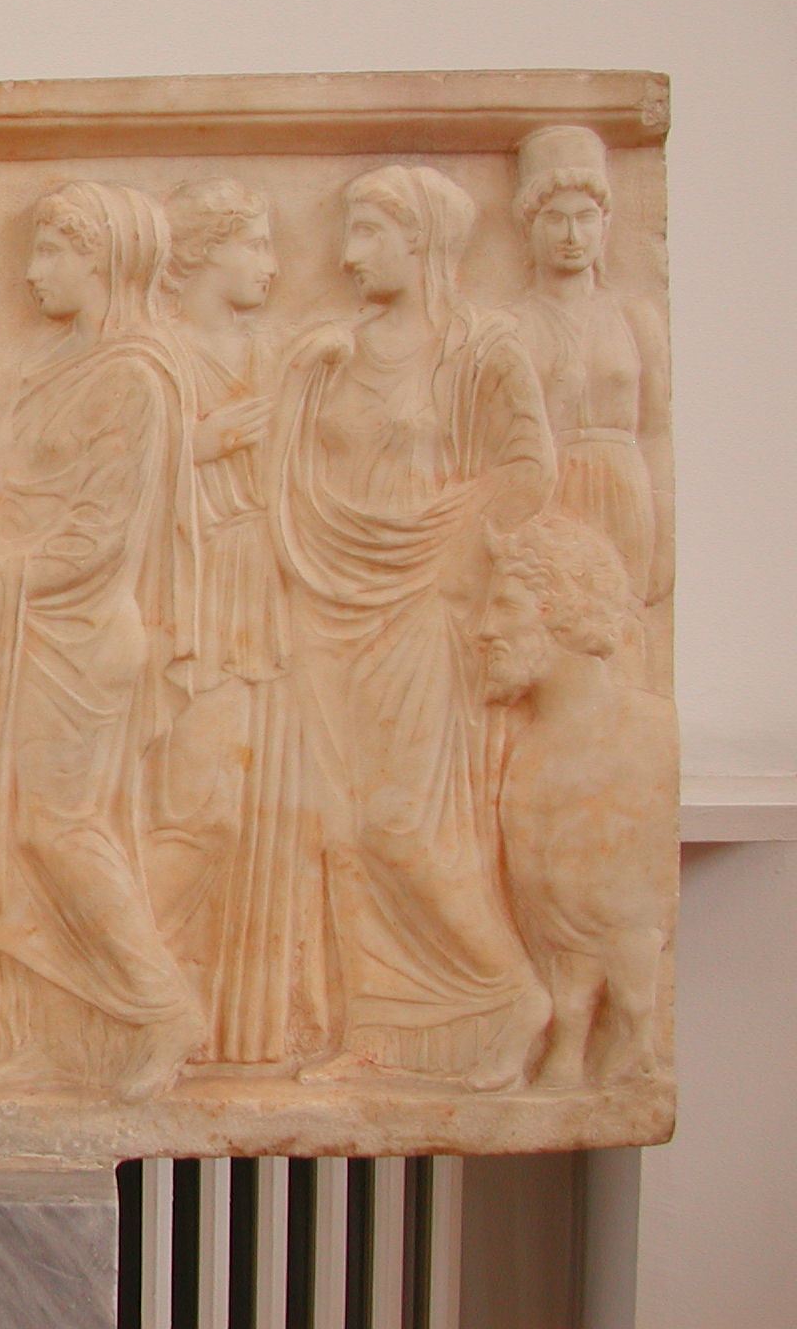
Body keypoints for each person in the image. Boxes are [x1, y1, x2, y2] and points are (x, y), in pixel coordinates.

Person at [272, 165, 553, 1089]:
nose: (349, 255)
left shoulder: (481, 349)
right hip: (327, 599)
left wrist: (445, 542)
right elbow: (280, 478)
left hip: (420, 605)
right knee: (341, 825)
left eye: (369, 233)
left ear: (423, 239)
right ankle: (377, 1032)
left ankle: (512, 996)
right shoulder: (332, 352)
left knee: (404, 824)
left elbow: (529, 471)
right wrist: (298, 381)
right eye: (348, 231)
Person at [0, 180, 203, 1098]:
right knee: (19, 836)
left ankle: (165, 1007)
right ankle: (62, 1039)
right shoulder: (51, 365)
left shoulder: (135, 377)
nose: (32, 271)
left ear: (101, 260)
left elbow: (104, 532)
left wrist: (0, 577)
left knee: (58, 828)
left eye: (52, 251)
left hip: (80, 633)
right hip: (18, 631)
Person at [146, 177, 320, 1066]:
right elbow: (103, 471)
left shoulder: (277, 352)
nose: (272, 265)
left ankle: (231, 1021)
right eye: (255, 243)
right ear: (205, 250)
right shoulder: (160, 353)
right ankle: (129, 984)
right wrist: (201, 445)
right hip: (190, 587)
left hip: (265, 587)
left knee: (260, 809)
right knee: (195, 808)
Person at [481, 515, 674, 1086]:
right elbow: (559, 923)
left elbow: (635, 913)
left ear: (563, 612)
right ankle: (567, 1051)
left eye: (506, 606)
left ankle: (627, 1047)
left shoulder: (647, 733)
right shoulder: (525, 751)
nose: (486, 629)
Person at [504, 126, 672, 606]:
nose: (572, 236)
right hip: (546, 497)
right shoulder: (509, 324)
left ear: (605, 224)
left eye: (586, 218)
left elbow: (657, 432)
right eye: (555, 219)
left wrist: (667, 545)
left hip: (624, 490)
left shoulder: (634, 317)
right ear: (528, 226)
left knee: (620, 628)